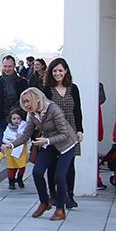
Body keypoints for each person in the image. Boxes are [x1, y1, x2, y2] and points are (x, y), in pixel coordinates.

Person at [5, 86, 78, 221]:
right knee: (37, 172)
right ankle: (44, 203)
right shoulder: (32, 114)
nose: (26, 105)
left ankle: (60, 210)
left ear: (37, 98)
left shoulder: (54, 109)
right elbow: (26, 135)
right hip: (48, 143)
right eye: (24, 102)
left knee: (60, 177)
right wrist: (10, 145)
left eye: (28, 101)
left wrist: (47, 140)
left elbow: (65, 134)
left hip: (66, 144)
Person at [43, 57, 85, 209]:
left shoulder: (73, 88)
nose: (57, 73)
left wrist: (80, 130)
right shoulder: (47, 89)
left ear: (66, 71)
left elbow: (77, 111)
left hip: (70, 129)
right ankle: (53, 194)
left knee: (69, 164)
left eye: (60, 70)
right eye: (54, 70)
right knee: (53, 163)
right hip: (53, 130)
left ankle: (69, 195)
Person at [3, 108, 29, 188]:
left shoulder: (24, 125)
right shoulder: (8, 127)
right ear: (10, 119)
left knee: (22, 165)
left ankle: (20, 178)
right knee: (11, 166)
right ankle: (11, 181)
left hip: (21, 148)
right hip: (10, 149)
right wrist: (13, 140)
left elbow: (25, 136)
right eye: (14, 119)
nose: (16, 121)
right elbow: (5, 138)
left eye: (18, 118)